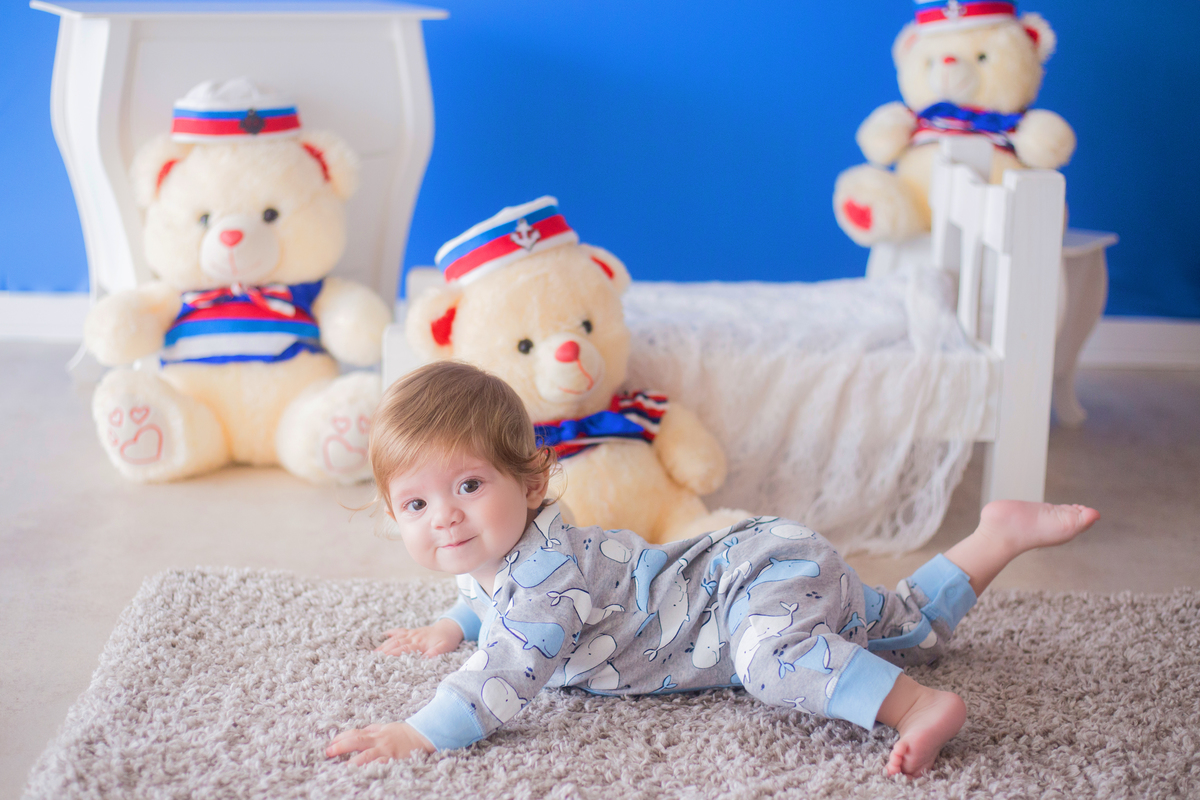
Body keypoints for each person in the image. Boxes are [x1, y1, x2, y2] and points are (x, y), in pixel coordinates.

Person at [326, 361, 1099, 777]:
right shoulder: (499, 556)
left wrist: (418, 732)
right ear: (392, 514)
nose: (446, 517)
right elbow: (485, 596)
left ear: (530, 485)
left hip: (746, 584)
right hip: (752, 567)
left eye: (468, 486)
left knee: (775, 665)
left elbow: (501, 677)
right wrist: (451, 624)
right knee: (897, 625)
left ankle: (917, 706)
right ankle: (995, 536)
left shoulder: (547, 577)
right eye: (417, 504)